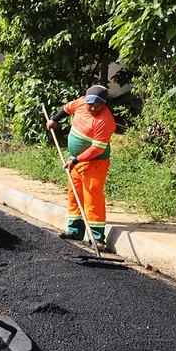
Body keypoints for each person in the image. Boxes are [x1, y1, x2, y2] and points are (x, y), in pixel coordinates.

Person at [46, 85, 116, 250]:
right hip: (76, 162)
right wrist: (54, 119)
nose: (92, 108)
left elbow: (96, 149)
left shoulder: (105, 121)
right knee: (74, 194)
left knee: (92, 197)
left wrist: (76, 160)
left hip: (95, 163)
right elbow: (66, 108)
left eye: (97, 105)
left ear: (104, 104)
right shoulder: (81, 103)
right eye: (90, 104)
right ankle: (76, 230)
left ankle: (97, 238)